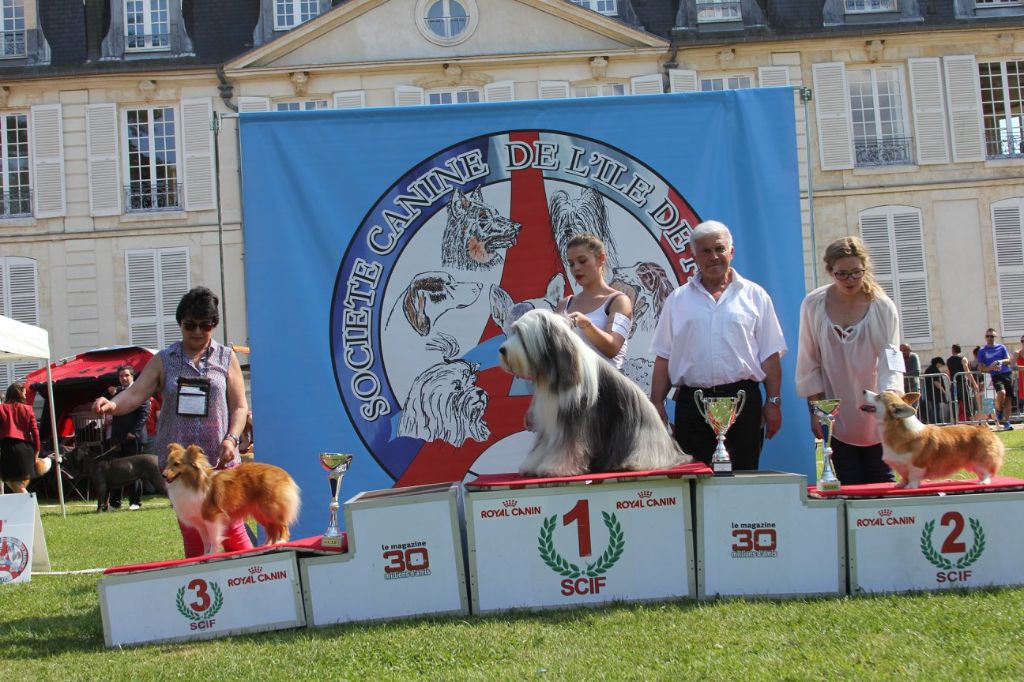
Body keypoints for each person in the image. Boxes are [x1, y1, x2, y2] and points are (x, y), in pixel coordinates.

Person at [93, 286, 252, 557]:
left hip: (219, 459)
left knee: (233, 528)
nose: (198, 331)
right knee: (192, 530)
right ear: (180, 323)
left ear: (213, 325)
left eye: (206, 325)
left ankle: (256, 582)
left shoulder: (227, 357)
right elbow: (135, 393)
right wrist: (113, 405)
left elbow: (239, 406)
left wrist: (232, 439)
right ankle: (203, 592)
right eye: (190, 324)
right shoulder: (164, 360)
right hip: (179, 467)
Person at [649, 220, 786, 470]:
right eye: (705, 251)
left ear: (731, 252)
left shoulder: (755, 296)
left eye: (719, 249)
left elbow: (770, 356)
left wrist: (774, 402)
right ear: (693, 255)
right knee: (695, 481)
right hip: (693, 406)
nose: (713, 257)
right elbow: (664, 358)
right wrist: (657, 404)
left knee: (744, 477)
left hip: (744, 404)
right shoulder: (677, 301)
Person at [796, 236, 901, 484]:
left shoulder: (883, 307)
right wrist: (816, 411)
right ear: (829, 271)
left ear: (865, 269)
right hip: (836, 413)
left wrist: (888, 402)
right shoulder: (813, 304)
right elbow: (808, 360)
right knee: (847, 479)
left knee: (882, 479)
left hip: (876, 411)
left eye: (856, 273)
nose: (850, 280)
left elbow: (891, 361)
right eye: (841, 274)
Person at [555, 233, 633, 369]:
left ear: (601, 258)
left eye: (582, 260)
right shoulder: (564, 304)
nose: (576, 268)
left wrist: (585, 324)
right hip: (570, 386)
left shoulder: (619, 301)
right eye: (571, 263)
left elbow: (612, 348)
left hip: (607, 386)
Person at [107, 365, 150, 510]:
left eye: (127, 375)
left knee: (135, 470)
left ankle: (135, 502)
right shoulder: (116, 392)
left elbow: (144, 414)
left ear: (132, 377)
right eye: (121, 376)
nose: (124, 378)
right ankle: (115, 502)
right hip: (118, 437)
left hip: (134, 437)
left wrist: (134, 432)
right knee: (116, 470)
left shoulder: (140, 392)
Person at [0, 382, 41, 494]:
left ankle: (33, 509)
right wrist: (37, 450)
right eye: (24, 392)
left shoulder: (1, 409)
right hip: (27, 449)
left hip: (9, 448)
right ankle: (28, 509)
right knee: (14, 483)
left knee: (16, 484)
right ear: (18, 393)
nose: (26, 395)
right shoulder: (28, 409)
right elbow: (35, 432)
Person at [977, 328, 1014, 431]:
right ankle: (999, 409)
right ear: (985, 337)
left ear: (995, 337)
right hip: (995, 375)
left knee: (1008, 398)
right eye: (988, 336)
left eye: (992, 336)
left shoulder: (1001, 347)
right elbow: (981, 368)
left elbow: (1008, 360)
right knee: (1001, 393)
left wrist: (1000, 361)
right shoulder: (982, 351)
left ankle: (1006, 422)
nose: (990, 338)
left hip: (1007, 373)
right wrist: (991, 367)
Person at [947, 344, 980, 422]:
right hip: (962, 383)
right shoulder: (963, 359)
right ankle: (972, 422)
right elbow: (967, 371)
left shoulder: (948, 360)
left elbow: (948, 373)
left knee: (954, 404)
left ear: (953, 350)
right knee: (968, 404)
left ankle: (955, 423)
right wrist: (974, 384)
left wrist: (949, 384)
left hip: (953, 384)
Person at [921, 357, 950, 424]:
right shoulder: (933, 370)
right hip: (933, 394)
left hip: (931, 393)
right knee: (935, 409)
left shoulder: (930, 369)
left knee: (934, 408)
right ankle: (936, 423)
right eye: (941, 364)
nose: (941, 366)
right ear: (938, 363)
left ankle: (935, 422)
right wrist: (944, 391)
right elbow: (936, 382)